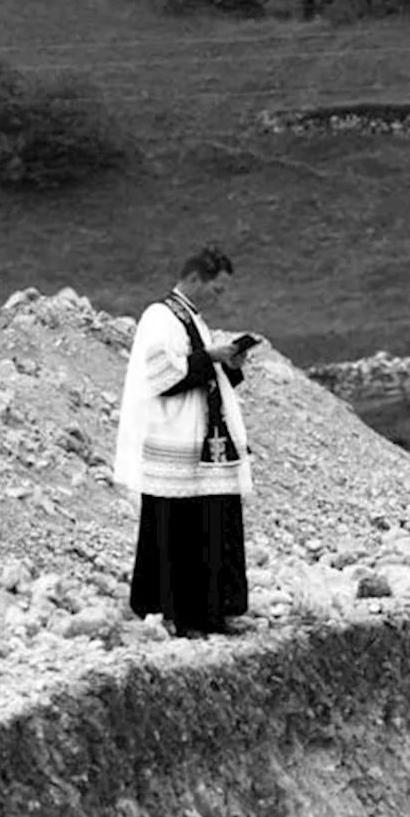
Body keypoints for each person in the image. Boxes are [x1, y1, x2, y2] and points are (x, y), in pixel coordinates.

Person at [113, 244, 254, 639]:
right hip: (176, 439)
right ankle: (180, 612)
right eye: (217, 289)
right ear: (194, 279)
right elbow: (161, 376)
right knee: (182, 529)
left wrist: (228, 364)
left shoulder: (193, 319)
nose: (220, 298)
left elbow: (201, 371)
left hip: (204, 441)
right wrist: (210, 356)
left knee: (214, 522)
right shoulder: (160, 318)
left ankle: (215, 610)